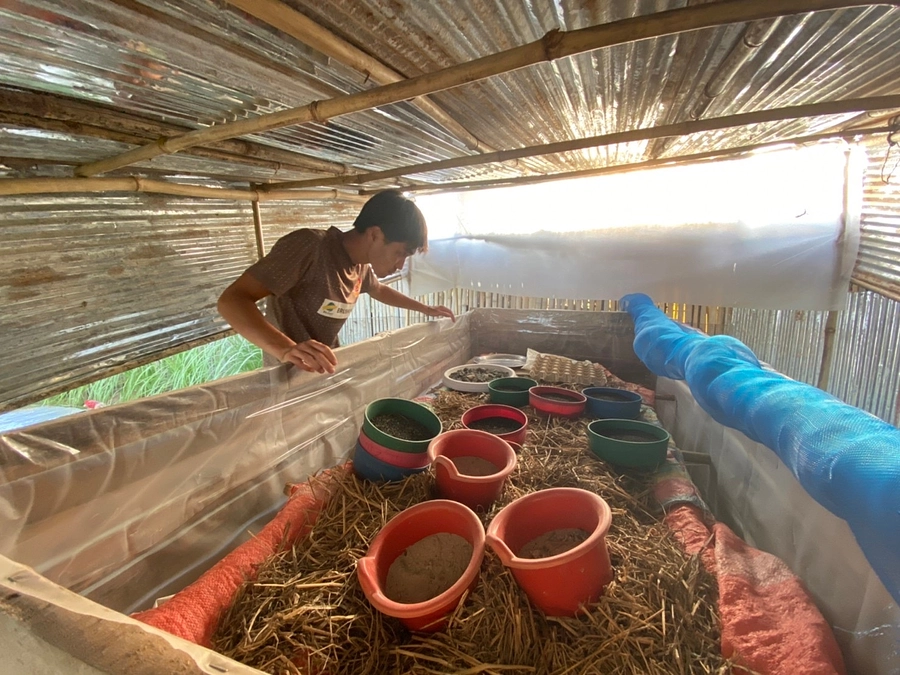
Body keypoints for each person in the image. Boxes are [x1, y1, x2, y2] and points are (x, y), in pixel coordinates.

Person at [217, 190, 455, 374]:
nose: (400, 264)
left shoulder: (360, 264)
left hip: (324, 366)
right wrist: (286, 348)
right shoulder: (310, 247)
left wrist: (425, 309)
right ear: (374, 234)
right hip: (287, 373)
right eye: (400, 253)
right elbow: (232, 300)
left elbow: (379, 290)